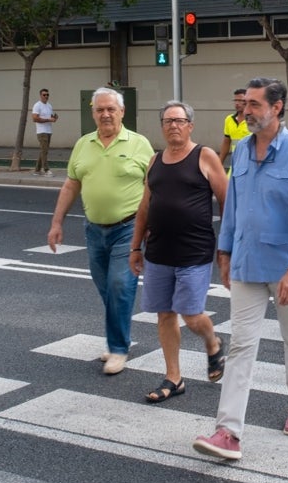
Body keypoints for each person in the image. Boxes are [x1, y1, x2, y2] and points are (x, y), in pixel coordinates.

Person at [193, 77, 288, 462]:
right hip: (248, 263)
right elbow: (233, 205)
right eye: (244, 104)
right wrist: (225, 250)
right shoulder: (242, 151)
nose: (245, 111)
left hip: (286, 268)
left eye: (253, 104)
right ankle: (228, 432)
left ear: (276, 107)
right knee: (242, 346)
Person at [48, 87, 153, 376]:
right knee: (107, 289)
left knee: (120, 286)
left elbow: (153, 187)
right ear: (92, 113)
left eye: (111, 109)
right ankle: (119, 336)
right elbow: (71, 184)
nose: (105, 114)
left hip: (128, 229)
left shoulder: (139, 144)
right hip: (94, 230)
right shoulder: (83, 144)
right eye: (100, 109)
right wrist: (56, 223)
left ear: (122, 112)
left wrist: (150, 226)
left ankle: (118, 348)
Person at [129, 101, 229, 403]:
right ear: (162, 125)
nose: (173, 125)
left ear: (190, 125)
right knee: (164, 314)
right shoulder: (155, 161)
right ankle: (174, 377)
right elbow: (145, 206)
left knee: (191, 315)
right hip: (159, 250)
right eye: (168, 120)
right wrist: (136, 246)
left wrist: (226, 248)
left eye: (180, 120)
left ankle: (212, 343)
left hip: (194, 250)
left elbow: (227, 204)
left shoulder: (205, 156)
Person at [218, 87, 250, 173]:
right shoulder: (229, 119)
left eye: (240, 101)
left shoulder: (253, 120)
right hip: (235, 163)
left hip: (250, 163)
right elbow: (226, 142)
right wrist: (219, 163)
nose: (237, 103)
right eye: (235, 100)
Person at [30, 88, 59, 176]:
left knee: (44, 151)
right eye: (44, 95)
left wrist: (53, 118)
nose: (46, 96)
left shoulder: (49, 106)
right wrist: (48, 119)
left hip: (48, 131)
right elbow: (34, 118)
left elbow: (50, 117)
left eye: (47, 95)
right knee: (44, 151)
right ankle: (46, 170)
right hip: (41, 131)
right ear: (40, 95)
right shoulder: (37, 105)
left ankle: (37, 170)